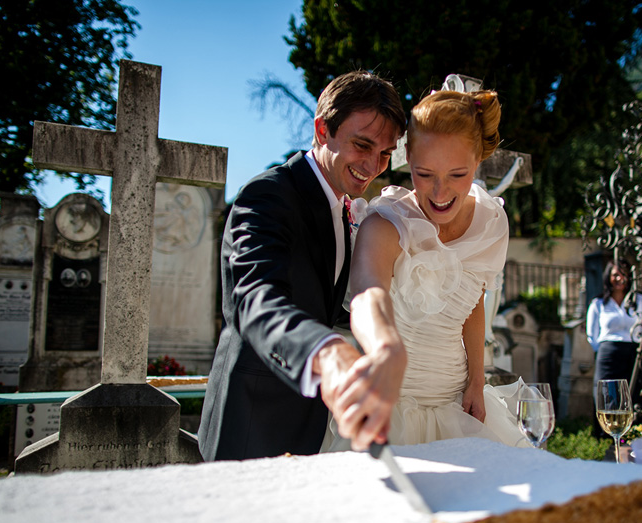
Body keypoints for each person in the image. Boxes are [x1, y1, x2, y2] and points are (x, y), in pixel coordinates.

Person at [198, 71, 408, 460]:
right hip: (252, 421)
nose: (373, 164)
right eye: (362, 145)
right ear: (322, 129)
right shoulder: (268, 195)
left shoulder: (348, 209)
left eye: (385, 153)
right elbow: (256, 301)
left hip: (313, 424)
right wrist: (326, 352)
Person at [321, 88, 530, 450]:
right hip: (392, 408)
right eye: (424, 173)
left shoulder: (492, 224)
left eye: (457, 174)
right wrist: (384, 348)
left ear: (477, 162)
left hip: (459, 405)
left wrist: (477, 383)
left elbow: (473, 303)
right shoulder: (385, 224)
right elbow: (368, 294)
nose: (440, 191)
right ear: (408, 160)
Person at [586, 259, 642, 400]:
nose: (619, 279)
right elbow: (592, 333)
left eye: (623, 274)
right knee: (607, 395)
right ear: (608, 277)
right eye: (615, 275)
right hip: (609, 354)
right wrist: (603, 349)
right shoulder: (599, 304)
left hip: (632, 352)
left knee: (633, 394)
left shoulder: (638, 301)